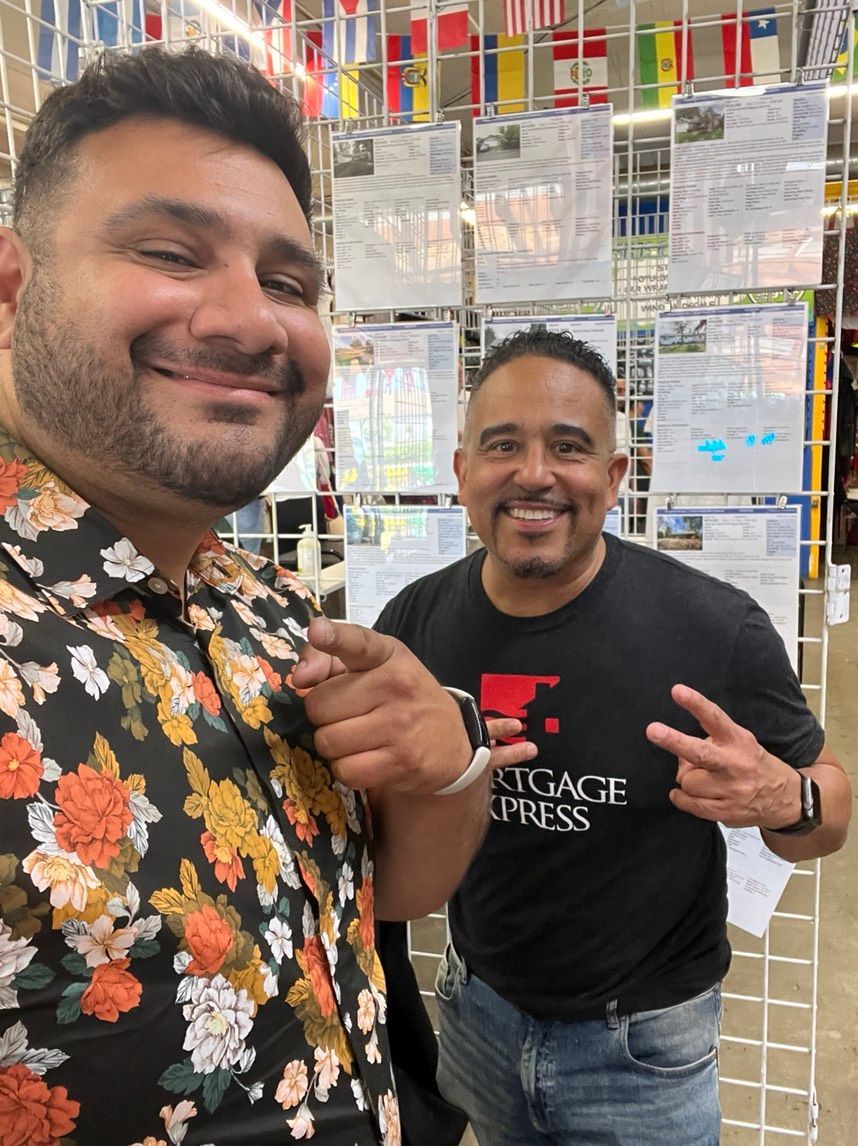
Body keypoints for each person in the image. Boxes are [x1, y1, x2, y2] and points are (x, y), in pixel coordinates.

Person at [0, 48, 515, 1145]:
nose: (252, 321)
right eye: (172, 252)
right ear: (11, 290)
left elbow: (386, 902)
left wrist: (448, 769)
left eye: (289, 283)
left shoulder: (271, 609)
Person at [374, 329, 852, 1145]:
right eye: (503, 446)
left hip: (644, 1049)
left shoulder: (714, 628)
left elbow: (831, 813)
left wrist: (788, 796)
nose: (534, 474)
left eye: (568, 447)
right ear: (461, 474)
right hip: (476, 1013)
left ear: (613, 476)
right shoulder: (413, 625)